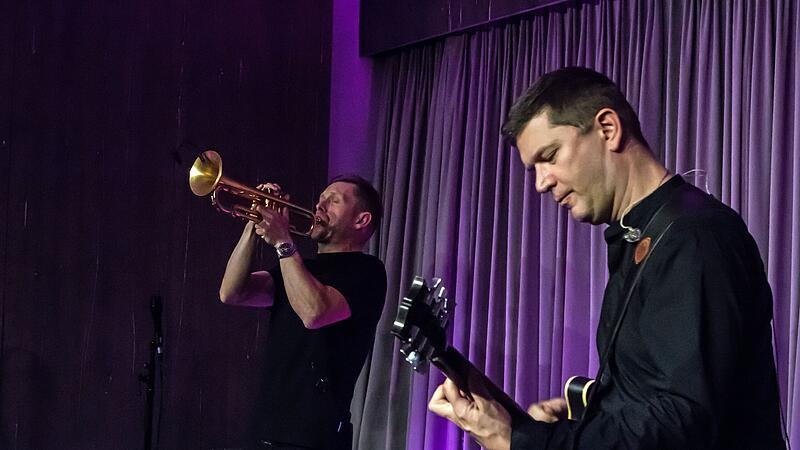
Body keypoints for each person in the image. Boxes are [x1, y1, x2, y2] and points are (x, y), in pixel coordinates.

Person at [428, 67, 786, 449]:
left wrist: (528, 441)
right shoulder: (642, 236)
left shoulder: (694, 238)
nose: (541, 182)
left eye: (549, 156)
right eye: (535, 169)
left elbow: (684, 424)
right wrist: (586, 414)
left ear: (608, 128)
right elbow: (656, 392)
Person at [219, 175, 387, 450]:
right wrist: (254, 222)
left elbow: (314, 313)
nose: (319, 206)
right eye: (320, 199)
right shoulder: (299, 267)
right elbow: (232, 292)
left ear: (361, 220)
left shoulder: (367, 271)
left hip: (313, 436)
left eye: (333, 201)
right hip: (267, 426)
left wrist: (283, 243)